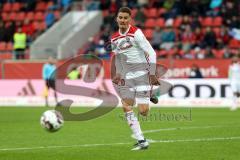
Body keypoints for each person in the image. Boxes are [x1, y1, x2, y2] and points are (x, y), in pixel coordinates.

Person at [111, 7, 159, 150]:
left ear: (130, 19)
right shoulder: (114, 38)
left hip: (143, 75)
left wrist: (152, 73)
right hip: (128, 76)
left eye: (126, 18)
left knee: (143, 112)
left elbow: (151, 52)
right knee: (126, 106)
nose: (123, 20)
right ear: (117, 19)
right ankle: (142, 141)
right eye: (121, 17)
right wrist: (118, 73)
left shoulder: (136, 33)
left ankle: (150, 93)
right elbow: (118, 57)